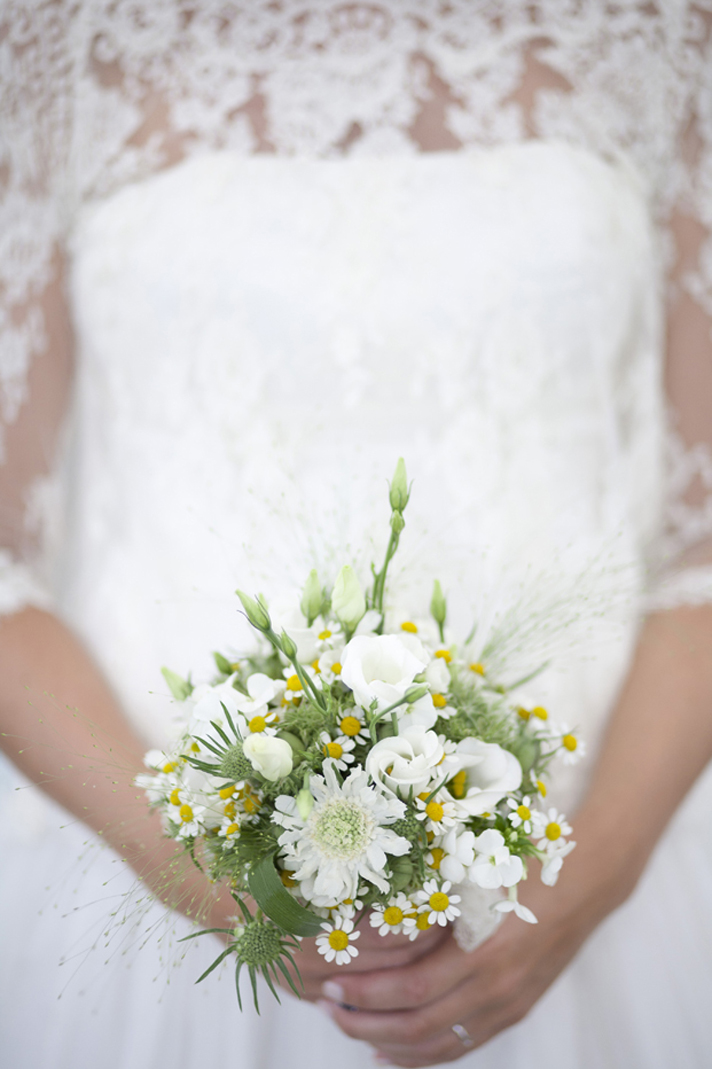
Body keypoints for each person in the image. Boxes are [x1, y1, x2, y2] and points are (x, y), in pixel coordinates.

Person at [1, 3, 712, 1067]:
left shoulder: (666, 29)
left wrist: (580, 883)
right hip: (138, 869)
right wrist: (208, 879)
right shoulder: (50, 40)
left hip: (609, 848)